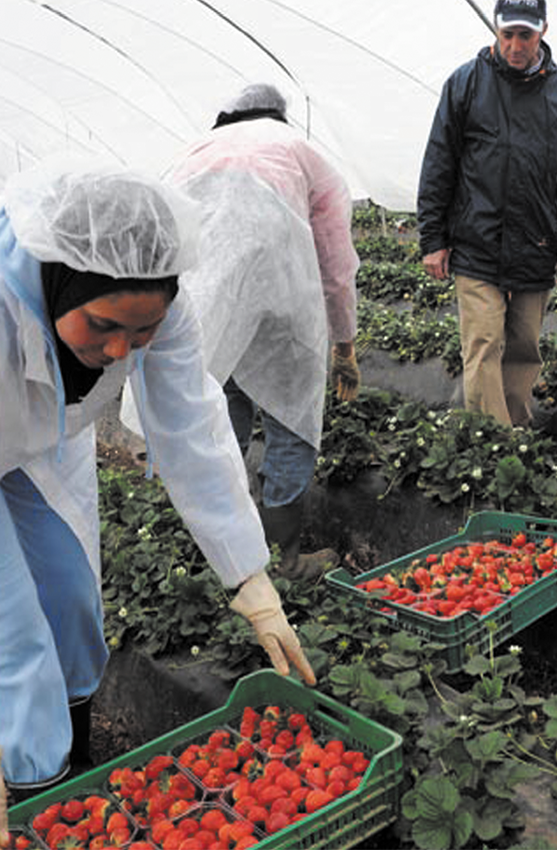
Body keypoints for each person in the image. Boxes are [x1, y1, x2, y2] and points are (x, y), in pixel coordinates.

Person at [0, 158, 316, 850]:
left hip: (42, 425)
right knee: (11, 639)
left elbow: (191, 426)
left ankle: (74, 766)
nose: (120, 349)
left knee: (70, 601)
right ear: (62, 282)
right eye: (102, 326)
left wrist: (250, 576)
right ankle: (35, 799)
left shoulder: (153, 300)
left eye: (140, 333)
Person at [120, 83, 360, 581]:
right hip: (282, 294)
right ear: (279, 116)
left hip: (206, 296)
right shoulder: (303, 153)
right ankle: (283, 557)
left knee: (221, 408)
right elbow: (336, 265)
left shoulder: (190, 153)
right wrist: (344, 343)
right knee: (291, 417)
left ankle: (226, 551)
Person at [416, 0, 557, 428]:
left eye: (525, 36)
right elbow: (439, 164)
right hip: (476, 240)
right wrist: (433, 239)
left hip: (535, 242)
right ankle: (492, 444)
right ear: (496, 30)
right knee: (483, 342)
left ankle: (515, 429)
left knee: (523, 348)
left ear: (543, 32)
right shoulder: (466, 84)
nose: (515, 45)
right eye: (507, 34)